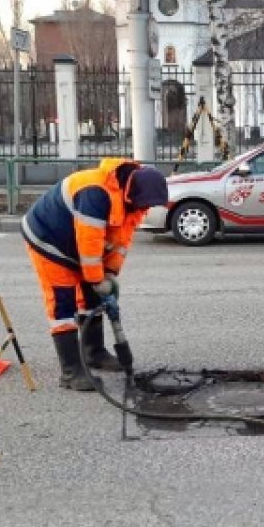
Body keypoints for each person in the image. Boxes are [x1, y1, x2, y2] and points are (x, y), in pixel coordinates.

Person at [22, 158, 169, 391]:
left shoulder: (133, 201)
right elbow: (89, 246)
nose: (146, 209)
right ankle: (71, 372)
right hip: (49, 238)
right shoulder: (95, 193)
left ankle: (94, 353)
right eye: (145, 205)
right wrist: (96, 279)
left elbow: (121, 241)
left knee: (92, 298)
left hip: (78, 241)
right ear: (130, 192)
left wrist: (109, 274)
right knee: (63, 303)